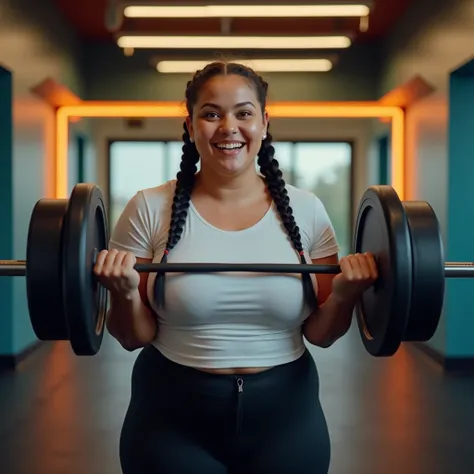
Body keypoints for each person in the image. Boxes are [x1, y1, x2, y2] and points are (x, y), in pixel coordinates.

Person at [93, 61, 378, 474]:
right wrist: (120, 291)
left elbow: (322, 334)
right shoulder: (148, 208)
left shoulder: (307, 210)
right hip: (171, 415)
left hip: (287, 417)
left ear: (263, 123)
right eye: (211, 113)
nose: (228, 127)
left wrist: (349, 293)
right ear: (190, 124)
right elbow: (134, 337)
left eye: (243, 113)